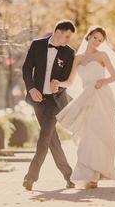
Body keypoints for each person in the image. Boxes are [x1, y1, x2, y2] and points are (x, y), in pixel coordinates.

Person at [55, 26, 115, 189]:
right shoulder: (78, 58)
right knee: (87, 135)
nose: (97, 42)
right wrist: (59, 83)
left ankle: (97, 175)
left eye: (101, 40)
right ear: (88, 36)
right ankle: (88, 174)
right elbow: (70, 81)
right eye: (95, 38)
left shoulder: (102, 56)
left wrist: (102, 81)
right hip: (86, 97)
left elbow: (114, 76)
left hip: (102, 97)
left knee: (102, 133)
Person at [21, 20, 76, 191]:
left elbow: (67, 80)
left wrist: (58, 84)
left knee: (44, 138)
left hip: (55, 102)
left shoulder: (69, 53)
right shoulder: (37, 45)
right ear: (58, 31)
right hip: (37, 100)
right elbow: (26, 69)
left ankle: (30, 177)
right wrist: (31, 89)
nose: (67, 40)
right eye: (66, 36)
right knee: (52, 140)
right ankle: (69, 175)